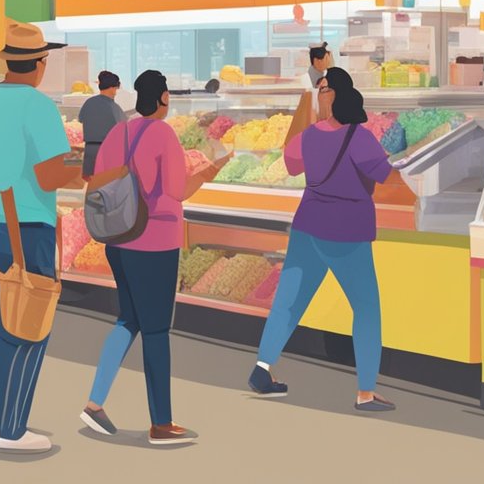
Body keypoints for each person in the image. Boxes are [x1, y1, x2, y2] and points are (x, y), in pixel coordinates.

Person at [0, 22, 82, 453]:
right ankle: (6, 428)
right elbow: (48, 175)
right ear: (40, 65)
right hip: (24, 228)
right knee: (25, 325)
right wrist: (89, 170)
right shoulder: (38, 107)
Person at [80, 70, 230, 445]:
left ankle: (94, 403)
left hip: (119, 239)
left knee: (127, 319)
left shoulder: (120, 132)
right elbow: (177, 190)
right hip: (155, 242)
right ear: (163, 98)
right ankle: (161, 424)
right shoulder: (163, 133)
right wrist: (213, 168)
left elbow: (100, 179)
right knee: (157, 331)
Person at [248, 67, 395, 411]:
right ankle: (365, 393)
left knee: (288, 301)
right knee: (367, 309)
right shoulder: (360, 137)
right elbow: (387, 176)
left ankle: (262, 368)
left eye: (325, 89)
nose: (322, 94)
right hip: (347, 231)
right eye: (320, 88)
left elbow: (291, 164)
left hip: (307, 226)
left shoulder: (310, 135)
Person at [77, 71, 126, 178]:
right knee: (106, 186)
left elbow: (80, 119)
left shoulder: (88, 103)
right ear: (113, 88)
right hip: (108, 151)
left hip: (90, 150)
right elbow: (123, 130)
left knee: (92, 185)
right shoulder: (115, 108)